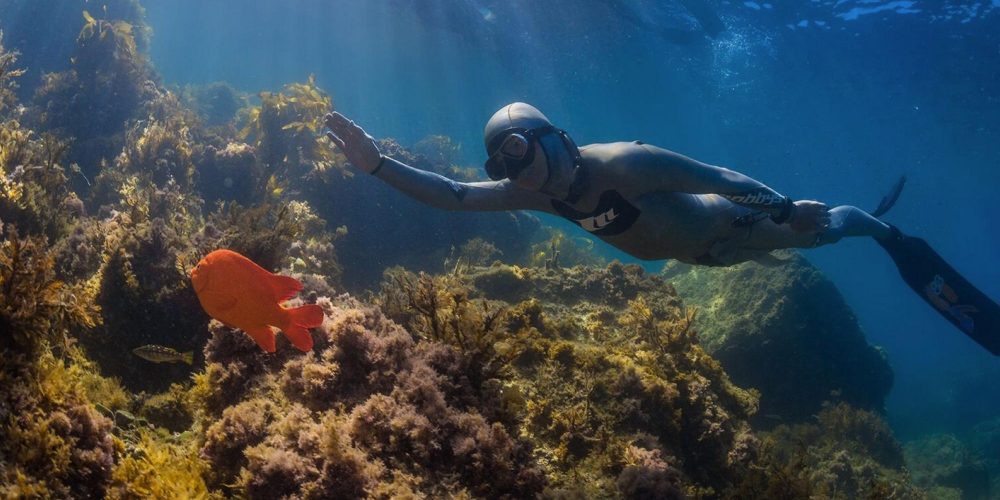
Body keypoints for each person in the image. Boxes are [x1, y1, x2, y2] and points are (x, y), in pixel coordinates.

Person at [325, 102, 1000, 355]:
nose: (520, 173)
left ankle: (882, 230)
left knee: (828, 230)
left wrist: (783, 209)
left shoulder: (628, 162)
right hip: (706, 258)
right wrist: (378, 165)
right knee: (802, 237)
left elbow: (720, 176)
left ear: (556, 137)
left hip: (739, 227)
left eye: (522, 153)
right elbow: (453, 196)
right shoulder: (540, 194)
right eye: (504, 165)